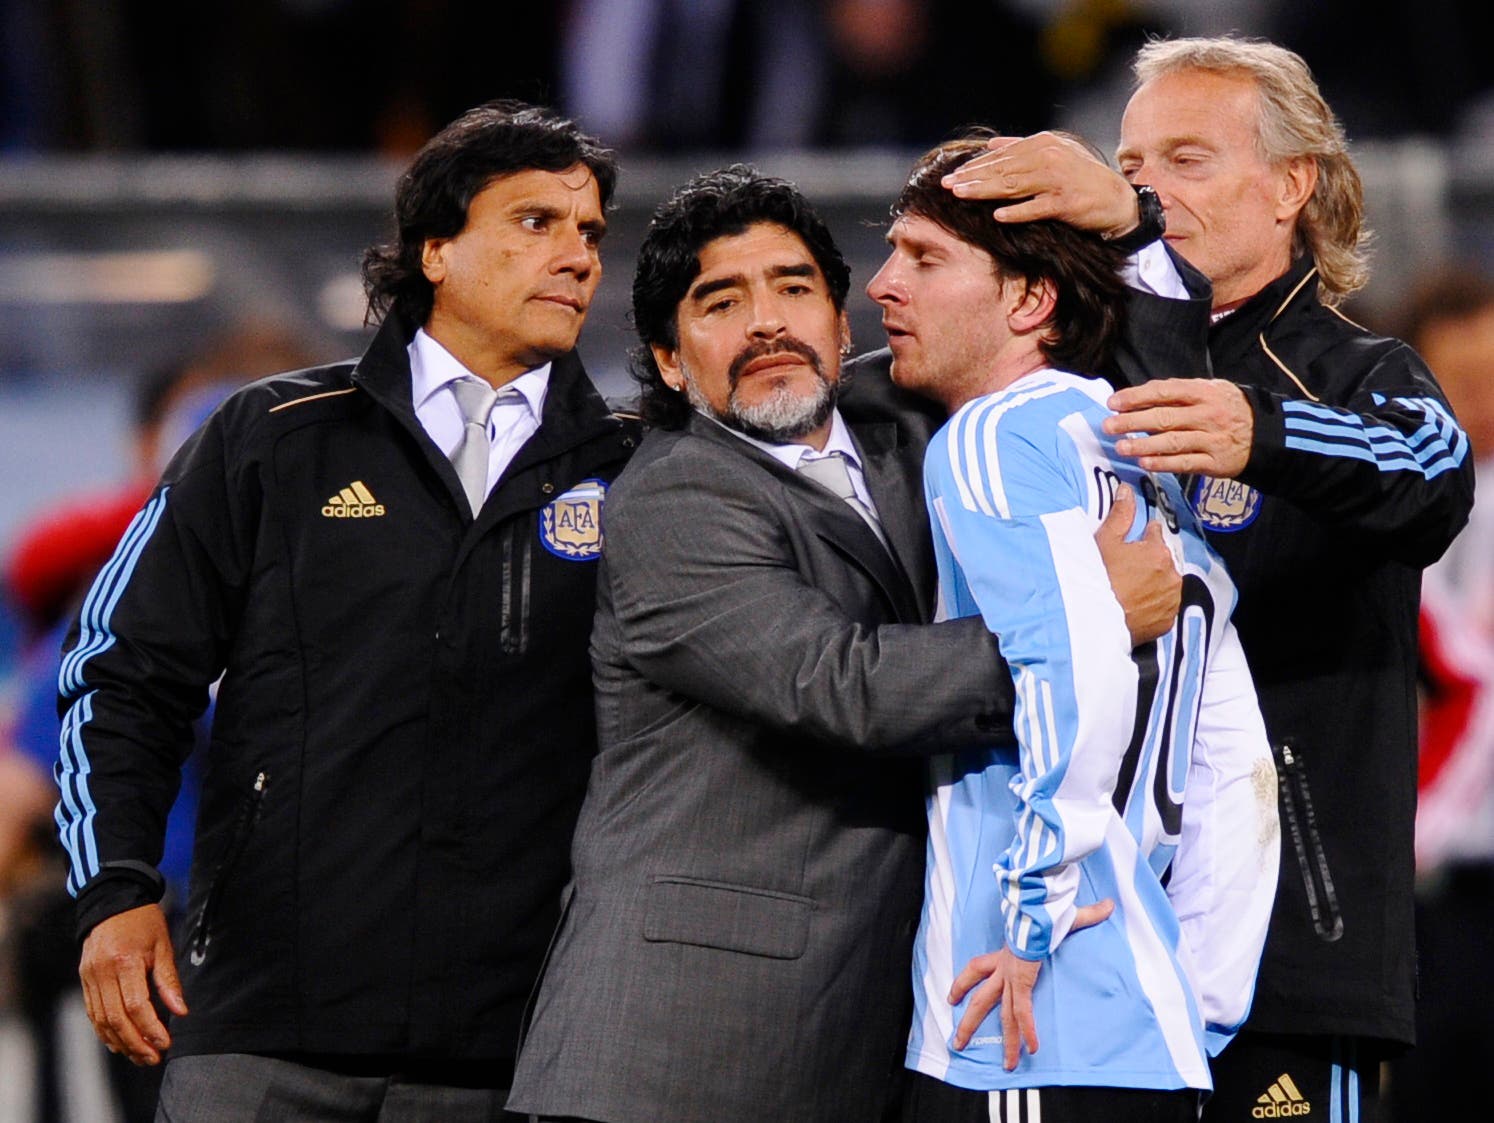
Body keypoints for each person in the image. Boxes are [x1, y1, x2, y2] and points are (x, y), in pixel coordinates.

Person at [507, 166, 1180, 1123]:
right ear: (668, 360)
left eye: (794, 289)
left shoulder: (914, 424)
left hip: (860, 1036)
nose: (767, 323)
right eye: (721, 302)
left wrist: (1130, 222)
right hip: (672, 1055)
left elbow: (1090, 357)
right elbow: (842, 684)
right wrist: (1087, 621)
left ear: (845, 322)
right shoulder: (673, 498)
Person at [53, 101, 635, 1121]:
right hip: (265, 1036)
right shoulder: (271, 440)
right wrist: (117, 890)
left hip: (520, 1052)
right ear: (437, 251)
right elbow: (118, 669)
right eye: (537, 223)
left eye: (589, 231)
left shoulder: (637, 468)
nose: (580, 257)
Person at [940, 35, 1475, 1122]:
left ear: (1292, 185)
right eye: (1130, 168)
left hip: (1287, 956)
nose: (1145, 192)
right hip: (1072, 947)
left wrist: (1259, 429)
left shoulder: (1354, 373)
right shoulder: (1063, 373)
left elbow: (1435, 473)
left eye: (1185, 160)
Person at [867, 134, 1277, 1123]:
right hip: (1150, 1024)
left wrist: (1037, 913)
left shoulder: (991, 438)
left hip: (1020, 1018)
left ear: (1028, 300)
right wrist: (1203, 995)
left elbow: (1074, 669)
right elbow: (1236, 758)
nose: (882, 286)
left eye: (923, 259)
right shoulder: (1138, 449)